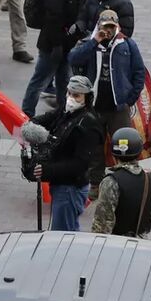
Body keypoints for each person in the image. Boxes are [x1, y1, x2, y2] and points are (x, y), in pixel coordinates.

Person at [69, 8, 146, 189]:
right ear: (98, 25)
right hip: (95, 106)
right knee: (94, 148)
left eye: (111, 26)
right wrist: (95, 41)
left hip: (118, 108)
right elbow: (73, 59)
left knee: (124, 145)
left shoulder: (127, 45)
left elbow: (139, 72)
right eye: (105, 26)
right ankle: (95, 185)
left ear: (117, 26)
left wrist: (130, 99)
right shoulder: (90, 42)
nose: (108, 30)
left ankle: (125, 185)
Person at [27, 75, 102, 230]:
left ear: (87, 98)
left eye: (76, 95)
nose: (71, 98)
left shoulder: (89, 124)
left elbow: (80, 164)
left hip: (70, 189)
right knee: (66, 233)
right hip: (61, 184)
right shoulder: (67, 111)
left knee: (63, 236)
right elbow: (50, 117)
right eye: (69, 93)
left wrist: (48, 170)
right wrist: (31, 125)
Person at [22, 0, 88, 118]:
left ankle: (62, 110)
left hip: (65, 44)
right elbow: (53, 19)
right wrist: (57, 45)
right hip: (52, 46)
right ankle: (26, 114)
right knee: (40, 80)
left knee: (63, 80)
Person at [91, 126, 151, 236]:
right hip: (139, 243)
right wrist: (139, 232)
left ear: (114, 154)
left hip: (115, 245)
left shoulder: (111, 182)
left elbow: (102, 226)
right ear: (139, 152)